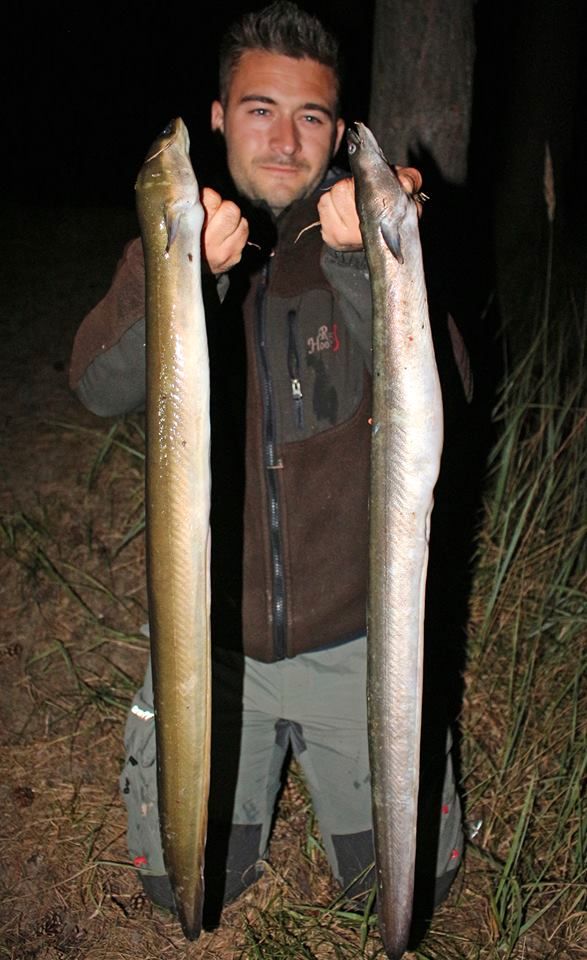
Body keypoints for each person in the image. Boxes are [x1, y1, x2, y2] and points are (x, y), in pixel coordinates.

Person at [70, 0, 463, 922]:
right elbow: (96, 383)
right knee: (180, 886)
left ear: (335, 128)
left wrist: (368, 261)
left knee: (408, 890)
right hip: (213, 649)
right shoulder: (176, 239)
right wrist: (185, 272)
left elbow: (450, 383)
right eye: (259, 110)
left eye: (312, 117)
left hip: (356, 644)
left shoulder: (371, 245)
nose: (285, 141)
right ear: (217, 116)